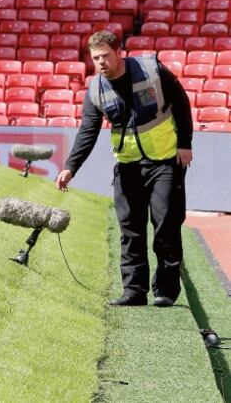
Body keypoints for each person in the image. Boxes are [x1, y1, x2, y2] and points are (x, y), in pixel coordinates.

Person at [55, 30, 192, 308]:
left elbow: (181, 101)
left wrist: (185, 144)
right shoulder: (95, 89)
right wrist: (71, 168)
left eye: (106, 55)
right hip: (127, 166)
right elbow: (88, 132)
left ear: (120, 52)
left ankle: (165, 290)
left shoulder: (152, 70)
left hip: (164, 161)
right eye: (96, 58)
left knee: (165, 225)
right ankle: (134, 290)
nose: (101, 62)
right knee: (130, 230)